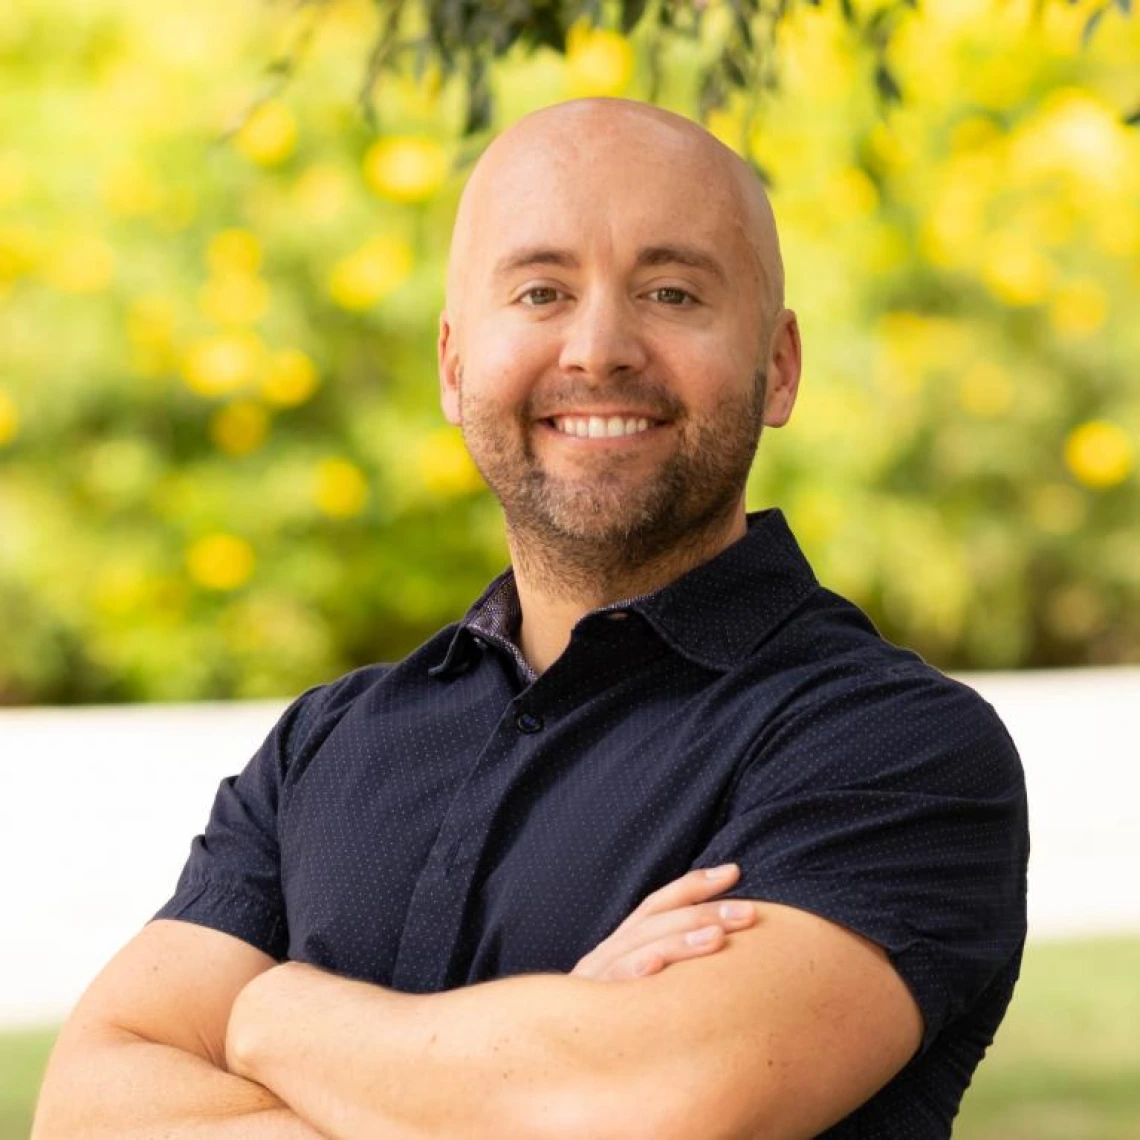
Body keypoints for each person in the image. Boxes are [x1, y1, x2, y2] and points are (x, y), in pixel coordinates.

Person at [33, 97, 1028, 1139]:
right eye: (542, 291)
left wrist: (271, 1015)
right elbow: (83, 1108)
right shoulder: (325, 746)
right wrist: (527, 1072)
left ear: (776, 366)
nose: (599, 348)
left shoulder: (891, 745)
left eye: (673, 291)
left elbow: (642, 1109)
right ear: (454, 367)